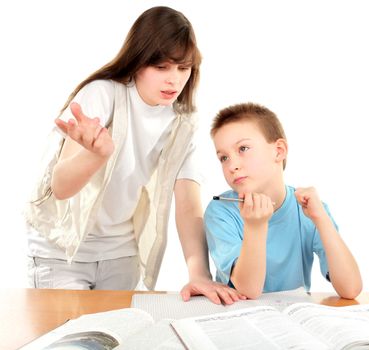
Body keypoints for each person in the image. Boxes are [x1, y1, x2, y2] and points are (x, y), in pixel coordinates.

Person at [24, 6, 243, 304]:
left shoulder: (182, 120)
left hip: (121, 256)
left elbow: (189, 205)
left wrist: (199, 274)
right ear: (138, 61)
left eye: (183, 68)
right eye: (162, 67)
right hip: (62, 254)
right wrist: (95, 156)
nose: (174, 81)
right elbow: (61, 187)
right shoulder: (102, 94)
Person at [204, 102, 363, 299]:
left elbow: (351, 288)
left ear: (279, 151)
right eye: (223, 158)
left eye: (243, 148)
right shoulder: (220, 211)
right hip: (241, 317)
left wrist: (322, 219)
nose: (232, 165)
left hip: (295, 317)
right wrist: (255, 226)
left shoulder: (309, 210)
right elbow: (249, 290)